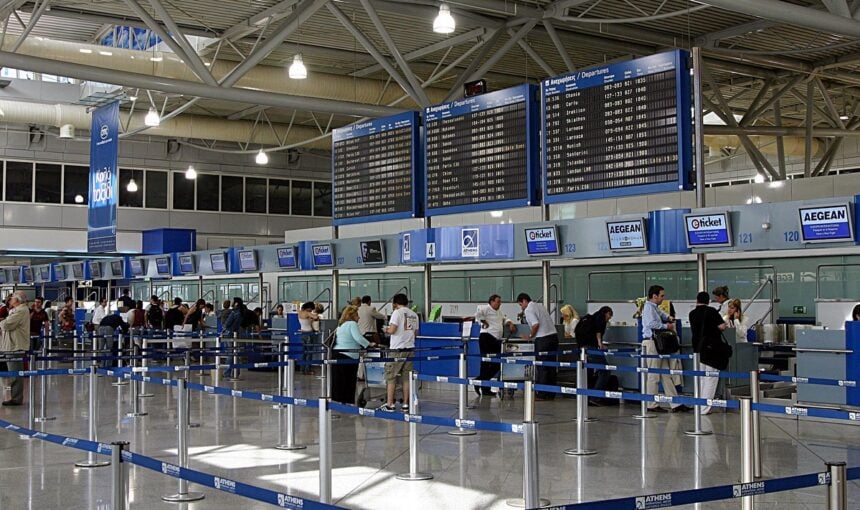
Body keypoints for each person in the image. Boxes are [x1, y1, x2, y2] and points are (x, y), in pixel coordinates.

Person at [641, 285, 691, 413]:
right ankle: (651, 404)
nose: (663, 298)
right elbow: (651, 323)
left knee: (665, 374)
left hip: (658, 345)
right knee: (653, 375)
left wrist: (669, 317)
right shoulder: (648, 307)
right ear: (654, 296)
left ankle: (675, 403)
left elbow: (661, 313)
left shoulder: (654, 307)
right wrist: (666, 325)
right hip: (652, 343)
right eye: (662, 295)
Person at [689, 291, 729, 415]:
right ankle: (705, 408)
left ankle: (698, 405)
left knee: (701, 378)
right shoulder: (711, 311)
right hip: (711, 349)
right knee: (711, 378)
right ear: (708, 301)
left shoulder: (692, 313)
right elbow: (722, 326)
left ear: (697, 300)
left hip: (697, 348)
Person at [517, 293, 559, 401]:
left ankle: (541, 393)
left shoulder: (529, 309)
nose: (521, 307)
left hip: (543, 339)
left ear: (524, 301)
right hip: (553, 337)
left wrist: (530, 336)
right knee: (551, 366)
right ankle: (551, 394)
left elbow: (535, 324)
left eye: (520, 304)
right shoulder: (540, 306)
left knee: (542, 367)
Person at [381, 293, 418, 411]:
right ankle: (406, 404)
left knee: (391, 376)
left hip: (397, 349)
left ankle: (390, 404)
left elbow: (392, 330)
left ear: (395, 304)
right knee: (406, 378)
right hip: (410, 349)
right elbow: (415, 333)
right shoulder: (413, 314)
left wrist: (385, 329)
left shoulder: (397, 312)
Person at [474, 294, 516, 396]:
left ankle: (480, 381)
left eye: (500, 302)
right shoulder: (485, 308)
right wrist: (484, 321)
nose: (499, 303)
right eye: (498, 301)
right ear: (492, 302)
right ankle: (484, 387)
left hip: (496, 339)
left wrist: (510, 323)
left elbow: (504, 319)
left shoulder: (499, 312)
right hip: (487, 337)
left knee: (497, 363)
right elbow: (478, 315)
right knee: (485, 363)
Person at [331, 305, 373, 405]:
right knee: (349, 380)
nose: (358, 318)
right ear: (352, 316)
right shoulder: (352, 324)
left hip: (338, 353)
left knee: (339, 381)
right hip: (348, 355)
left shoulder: (341, 324)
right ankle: (347, 401)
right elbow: (358, 338)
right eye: (357, 315)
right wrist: (369, 344)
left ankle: (340, 402)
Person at [575, 306, 614, 405]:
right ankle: (595, 397)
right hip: (591, 348)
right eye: (609, 316)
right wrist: (600, 344)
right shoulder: (600, 318)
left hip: (582, 348)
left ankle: (584, 397)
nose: (609, 318)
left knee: (587, 372)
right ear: (607, 313)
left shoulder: (589, 318)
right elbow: (598, 332)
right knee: (604, 371)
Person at [1, 291, 31, 406]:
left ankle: (16, 398)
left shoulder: (21, 311)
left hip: (15, 346)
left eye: (12, 297)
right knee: (11, 373)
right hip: (9, 345)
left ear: (18, 300)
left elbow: (6, 325)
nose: (10, 299)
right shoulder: (15, 310)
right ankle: (15, 397)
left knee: (15, 374)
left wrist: (2, 322)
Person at [299, 301, 320, 375]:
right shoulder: (307, 313)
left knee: (304, 353)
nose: (311, 311)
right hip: (309, 334)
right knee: (309, 353)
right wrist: (316, 311)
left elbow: (307, 321)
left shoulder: (300, 312)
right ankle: (308, 370)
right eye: (311, 309)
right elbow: (316, 317)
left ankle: (302, 369)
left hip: (302, 334)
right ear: (309, 308)